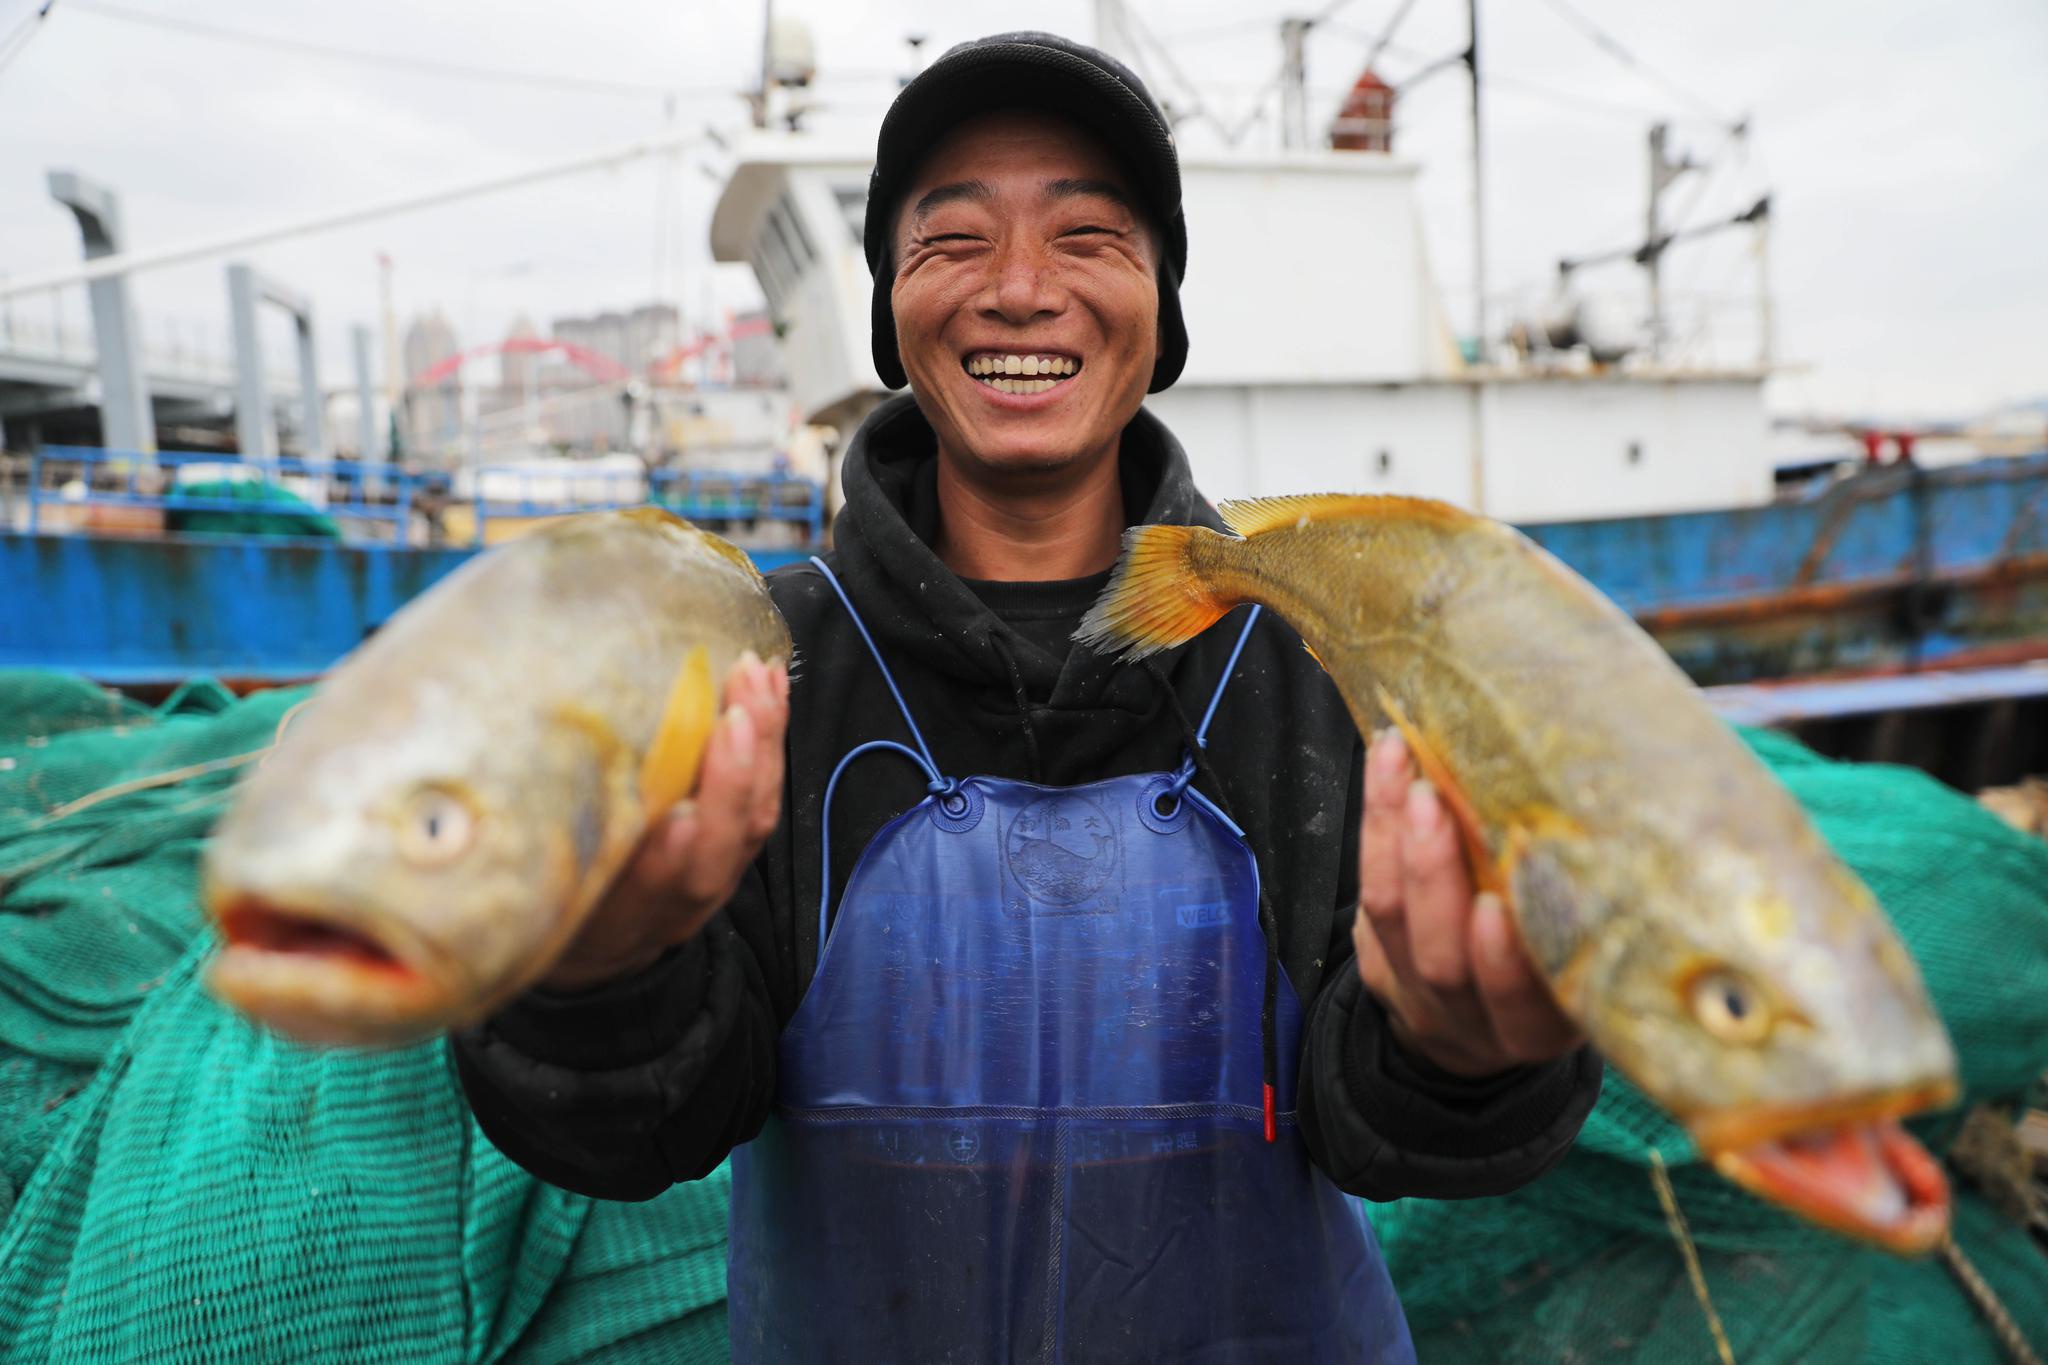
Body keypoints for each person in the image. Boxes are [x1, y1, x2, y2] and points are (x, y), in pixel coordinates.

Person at [455, 31, 1601, 1362]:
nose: (1017, 289)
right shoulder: (754, 672)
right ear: (890, 306)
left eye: (1087, 237)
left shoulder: (1306, 661)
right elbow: (642, 1125)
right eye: (952, 241)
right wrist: (594, 979)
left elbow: (1384, 1118)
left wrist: (1467, 1050)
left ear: (1163, 309)